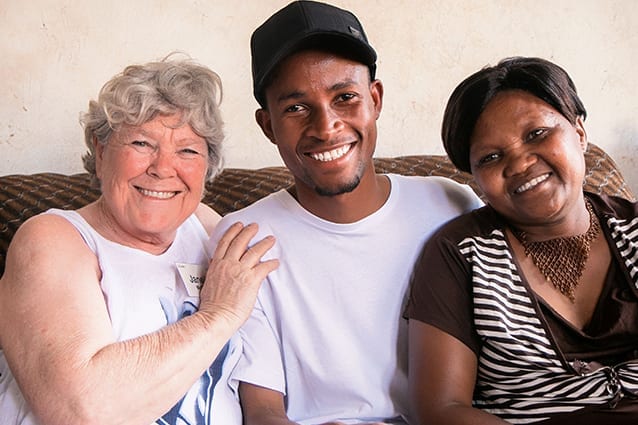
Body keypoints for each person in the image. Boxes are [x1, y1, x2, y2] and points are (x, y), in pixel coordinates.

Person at [208, 2, 483, 424]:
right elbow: (262, 411)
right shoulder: (242, 239)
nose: (326, 125)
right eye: (296, 108)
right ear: (268, 126)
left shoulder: (453, 205)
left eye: (345, 97)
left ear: (374, 99)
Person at [0, 55, 279, 425]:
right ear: (101, 154)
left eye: (187, 150)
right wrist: (219, 315)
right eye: (142, 143)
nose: (163, 168)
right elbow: (81, 410)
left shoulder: (208, 228)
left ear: (207, 168)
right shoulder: (52, 240)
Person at [405, 56, 638, 425]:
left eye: (537, 134)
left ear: (579, 133)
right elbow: (441, 409)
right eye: (491, 157)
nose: (520, 164)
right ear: (476, 179)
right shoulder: (460, 254)